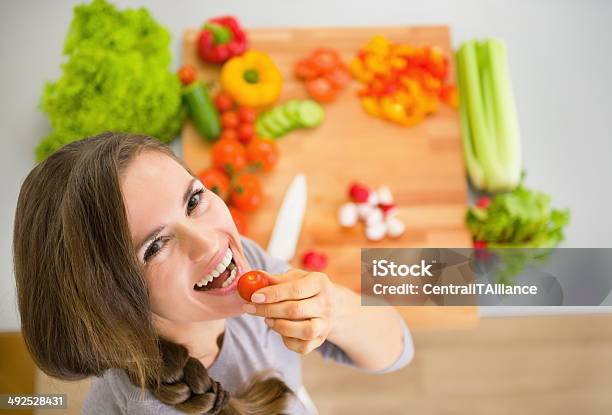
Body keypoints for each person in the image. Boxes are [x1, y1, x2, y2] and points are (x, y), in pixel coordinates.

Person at [13, 132, 414, 414]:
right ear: (109, 299)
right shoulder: (133, 408)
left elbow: (397, 350)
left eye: (194, 201)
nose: (208, 243)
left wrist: (336, 309)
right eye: (155, 246)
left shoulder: (248, 268)